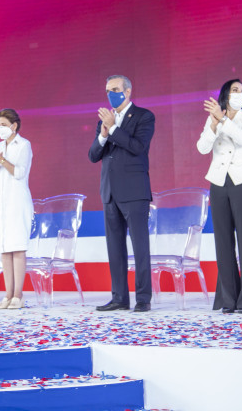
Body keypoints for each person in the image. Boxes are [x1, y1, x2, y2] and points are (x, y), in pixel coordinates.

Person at [88, 75, 155, 312]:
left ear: (127, 91)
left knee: (140, 247)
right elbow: (93, 155)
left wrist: (114, 128)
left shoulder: (144, 116)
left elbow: (137, 147)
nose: (111, 94)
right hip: (110, 192)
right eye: (108, 90)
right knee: (115, 248)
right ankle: (119, 298)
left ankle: (143, 298)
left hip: (135, 191)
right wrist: (104, 134)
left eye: (115, 89)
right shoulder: (105, 121)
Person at [196, 79, 242, 313]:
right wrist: (214, 125)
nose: (240, 94)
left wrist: (223, 120)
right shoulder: (213, 118)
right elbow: (202, 148)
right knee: (223, 242)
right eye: (235, 90)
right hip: (218, 181)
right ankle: (229, 299)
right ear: (225, 95)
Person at [0, 109, 34, 310]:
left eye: (4, 125)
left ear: (14, 126)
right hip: (0, 202)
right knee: (4, 249)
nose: (0, 128)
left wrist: (1, 159)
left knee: (17, 247)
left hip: (17, 201)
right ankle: (7, 295)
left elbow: (20, 172)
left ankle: (18, 295)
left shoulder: (24, 145)